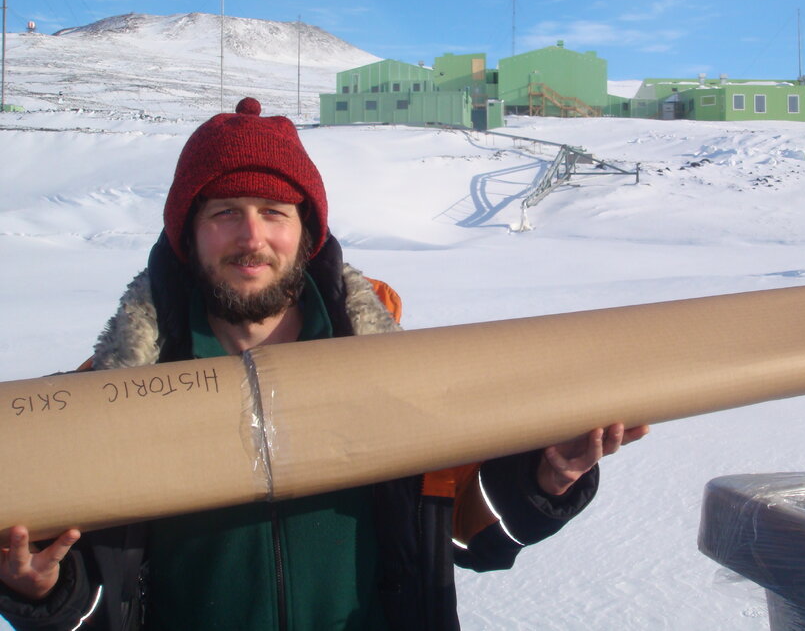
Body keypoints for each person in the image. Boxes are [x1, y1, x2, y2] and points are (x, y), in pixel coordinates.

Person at [0, 98, 647, 630]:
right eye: (225, 213)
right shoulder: (115, 392)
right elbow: (98, 594)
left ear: (306, 235)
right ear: (187, 234)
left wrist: (546, 476)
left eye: (273, 213)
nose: (251, 237)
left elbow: (459, 534)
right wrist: (42, 589)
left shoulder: (387, 373)